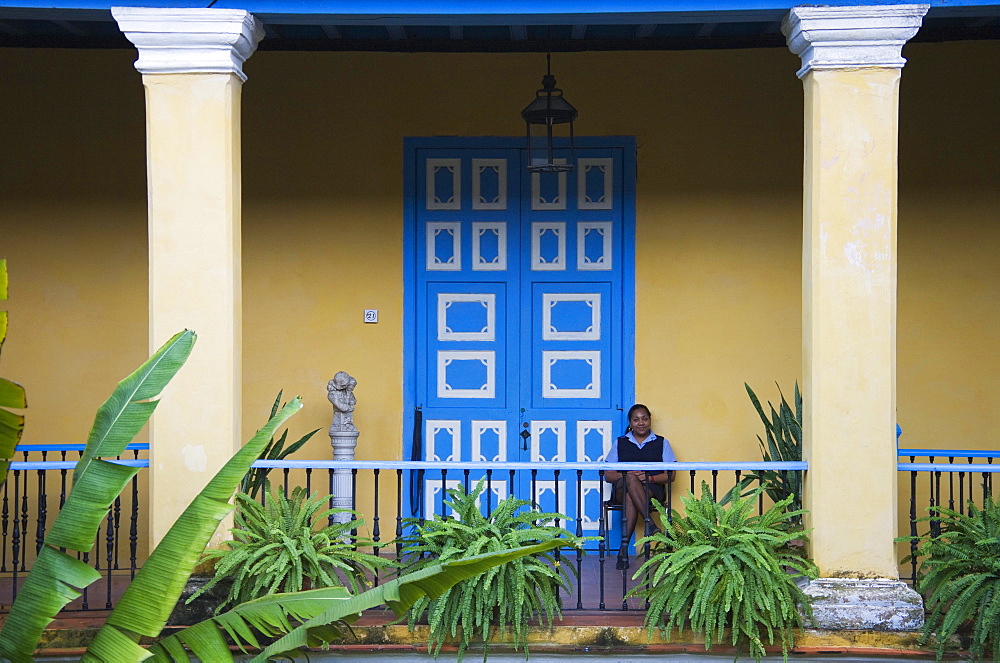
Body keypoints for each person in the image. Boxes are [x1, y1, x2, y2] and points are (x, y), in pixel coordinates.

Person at [603, 403, 676, 570]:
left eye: (644, 419)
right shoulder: (621, 442)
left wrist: (649, 477)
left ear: (650, 420)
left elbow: (671, 475)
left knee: (631, 494)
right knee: (629, 478)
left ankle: (623, 551)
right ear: (630, 422)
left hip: (651, 490)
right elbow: (608, 475)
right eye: (636, 420)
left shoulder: (661, 442)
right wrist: (628, 476)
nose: (641, 423)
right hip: (621, 489)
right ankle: (649, 523)